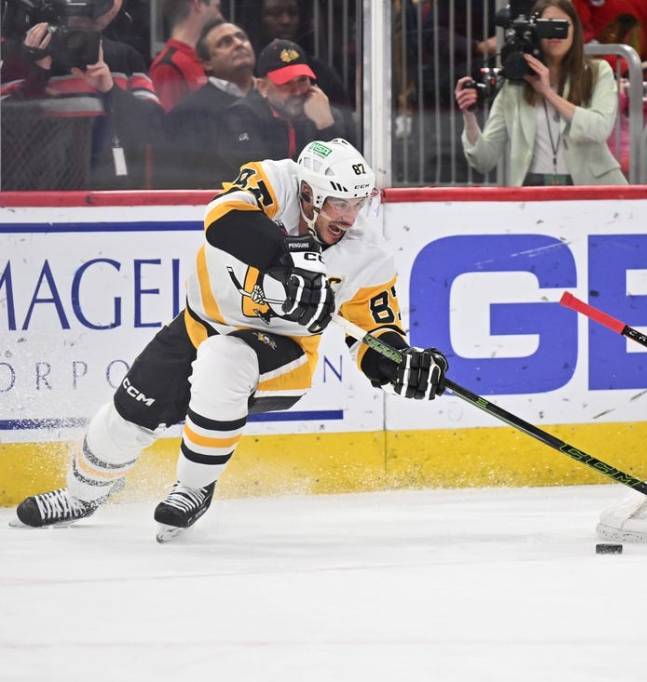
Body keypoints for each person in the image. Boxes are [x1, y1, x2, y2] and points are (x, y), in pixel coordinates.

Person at [13, 138, 449, 537]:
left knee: (224, 360)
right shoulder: (275, 180)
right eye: (338, 204)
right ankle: (80, 496)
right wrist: (285, 267)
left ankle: (194, 487)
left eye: (357, 203)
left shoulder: (366, 252)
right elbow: (221, 218)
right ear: (310, 194)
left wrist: (398, 361)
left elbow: (374, 332)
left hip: (285, 353)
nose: (349, 217)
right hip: (198, 324)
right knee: (123, 420)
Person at [455, 0, 626, 187]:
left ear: (575, 30)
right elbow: (483, 160)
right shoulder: (515, 83)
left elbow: (598, 129)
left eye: (560, 26)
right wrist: (469, 116)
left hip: (592, 188)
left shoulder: (598, 72)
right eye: (546, 26)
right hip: (533, 191)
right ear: (534, 31)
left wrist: (547, 93)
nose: (554, 34)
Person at [0, 0, 163, 190]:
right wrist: (36, 75)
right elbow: (7, 132)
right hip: (38, 197)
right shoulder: (27, 55)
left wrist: (110, 91)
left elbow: (155, 130)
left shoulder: (125, 58)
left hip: (111, 194)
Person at [220, 39, 356, 172]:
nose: (297, 91)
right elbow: (261, 174)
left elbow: (345, 172)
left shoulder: (325, 113)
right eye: (286, 83)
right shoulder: (242, 115)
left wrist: (326, 126)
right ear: (263, 87)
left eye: (302, 80)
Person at [159, 18, 256, 188]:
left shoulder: (274, 96)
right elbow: (188, 178)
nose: (238, 44)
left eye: (241, 37)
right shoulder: (189, 112)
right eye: (225, 42)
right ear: (207, 63)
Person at [149, 0, 223, 112]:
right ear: (198, 4)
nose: (220, 16)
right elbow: (169, 124)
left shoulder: (203, 58)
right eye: (217, 7)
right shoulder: (168, 66)